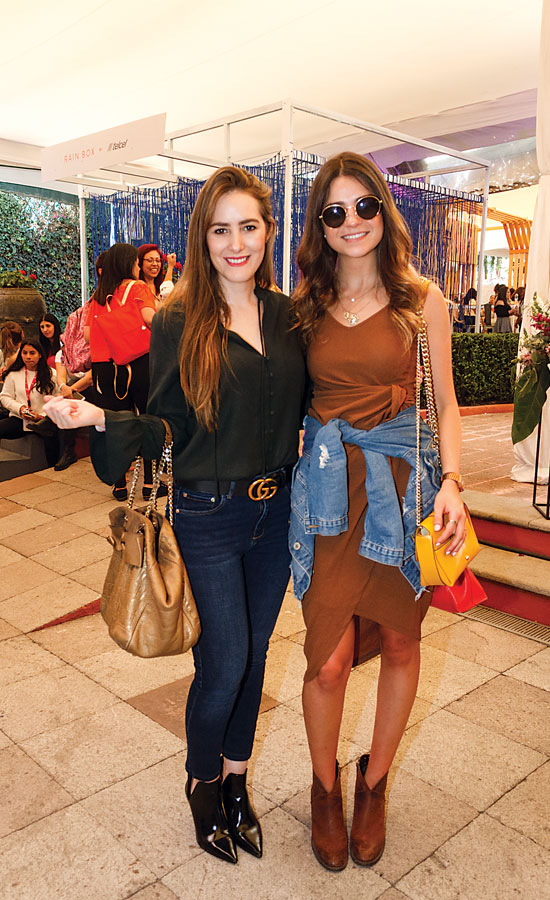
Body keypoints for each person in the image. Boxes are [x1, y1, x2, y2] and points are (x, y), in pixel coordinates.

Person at [43, 165, 306, 865]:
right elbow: (168, 425)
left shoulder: (288, 318)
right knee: (224, 660)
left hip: (277, 514)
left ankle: (238, 781)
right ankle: (202, 780)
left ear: (268, 231)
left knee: (256, 656)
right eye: (220, 230)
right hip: (207, 514)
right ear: (202, 238)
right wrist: (102, 418)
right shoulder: (178, 318)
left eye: (248, 226)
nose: (236, 243)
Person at [290, 151, 465, 872]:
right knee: (328, 661)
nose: (352, 221)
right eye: (335, 211)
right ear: (320, 225)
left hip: (404, 485)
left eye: (365, 205)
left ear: (383, 212)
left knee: (398, 641)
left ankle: (374, 783)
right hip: (330, 496)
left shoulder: (421, 299)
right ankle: (324, 788)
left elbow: (445, 402)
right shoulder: (304, 306)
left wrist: (453, 481)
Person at [85, 242, 161, 500]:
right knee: (147, 420)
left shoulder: (98, 297)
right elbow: (150, 318)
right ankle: (150, 484)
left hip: (105, 367)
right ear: (129, 264)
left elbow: (88, 335)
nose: (139, 267)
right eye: (137, 263)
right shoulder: (137, 287)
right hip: (137, 362)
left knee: (115, 423)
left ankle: (119, 485)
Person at [0, 340, 60, 466]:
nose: (28, 357)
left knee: (54, 442)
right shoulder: (13, 374)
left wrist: (41, 416)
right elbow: (5, 397)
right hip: (20, 418)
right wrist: (20, 409)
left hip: (44, 420)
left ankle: (54, 470)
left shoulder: (52, 374)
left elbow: (58, 398)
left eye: (32, 353)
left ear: (40, 355)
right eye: (24, 353)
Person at [138, 243, 178, 307]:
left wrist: (170, 266)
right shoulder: (137, 288)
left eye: (158, 260)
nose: (155, 264)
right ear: (139, 262)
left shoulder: (161, 287)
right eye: (150, 260)